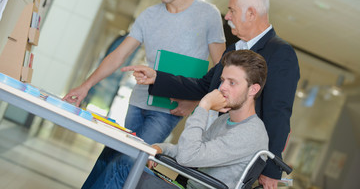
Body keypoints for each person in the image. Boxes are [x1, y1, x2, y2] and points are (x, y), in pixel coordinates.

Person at [63, 0, 226, 188]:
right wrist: (85, 86)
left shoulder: (208, 15)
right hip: (138, 102)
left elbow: (220, 66)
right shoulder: (149, 15)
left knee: (127, 162)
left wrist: (194, 101)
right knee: (110, 156)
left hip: (169, 108)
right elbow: (118, 55)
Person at [123, 0, 300, 189]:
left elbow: (278, 113)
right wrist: (158, 77)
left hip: (234, 155)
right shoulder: (234, 49)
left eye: (232, 10)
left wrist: (270, 170)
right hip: (208, 144)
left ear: (251, 13)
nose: (227, 17)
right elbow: (204, 85)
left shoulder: (280, 53)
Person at [91, 50, 269, 189]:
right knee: (121, 162)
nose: (222, 88)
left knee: (124, 167)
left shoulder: (250, 133)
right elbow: (191, 149)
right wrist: (161, 148)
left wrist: (203, 106)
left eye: (232, 83)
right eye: (222, 80)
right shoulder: (225, 121)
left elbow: (188, 156)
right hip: (185, 184)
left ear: (253, 90)